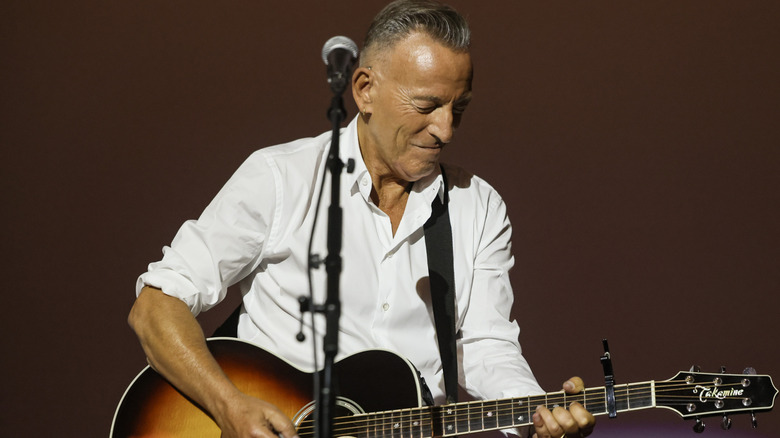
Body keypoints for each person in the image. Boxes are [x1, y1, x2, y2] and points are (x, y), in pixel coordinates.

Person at [128, 1, 596, 438]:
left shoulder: (478, 207)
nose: (446, 129)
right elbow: (155, 306)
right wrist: (228, 405)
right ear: (365, 90)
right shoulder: (281, 178)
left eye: (459, 109)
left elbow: (486, 345)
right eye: (427, 106)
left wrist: (538, 413)